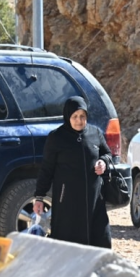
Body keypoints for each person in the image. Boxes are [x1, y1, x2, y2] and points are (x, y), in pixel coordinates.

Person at [33, 96, 112, 248]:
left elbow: (107, 154)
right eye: (74, 116)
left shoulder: (95, 133)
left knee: (101, 241)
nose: (79, 120)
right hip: (67, 203)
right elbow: (46, 170)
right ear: (67, 116)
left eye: (82, 116)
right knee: (68, 244)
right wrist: (39, 197)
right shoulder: (56, 137)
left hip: (94, 200)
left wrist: (103, 162)